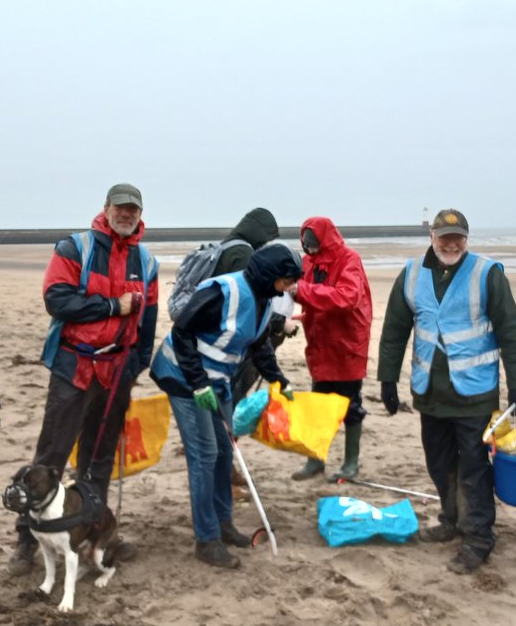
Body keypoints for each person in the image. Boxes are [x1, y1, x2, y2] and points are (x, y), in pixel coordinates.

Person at [7, 183, 159, 575]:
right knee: (51, 455)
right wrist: (113, 305)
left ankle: (95, 532)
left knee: (99, 460)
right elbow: (57, 300)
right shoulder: (76, 249)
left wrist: (136, 365)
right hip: (74, 368)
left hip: (116, 374)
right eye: (120, 208)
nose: (126, 215)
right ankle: (27, 540)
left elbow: (148, 320)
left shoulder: (147, 261)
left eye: (133, 210)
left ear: (140, 215)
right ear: (106, 208)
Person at [377, 210, 516, 574]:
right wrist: (387, 379)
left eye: (458, 236)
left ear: (467, 237)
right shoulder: (412, 274)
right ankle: (451, 519)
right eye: (445, 236)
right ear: (432, 236)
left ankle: (478, 537)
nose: (452, 243)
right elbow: (395, 330)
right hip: (430, 391)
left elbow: (511, 330)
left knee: (475, 467)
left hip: (475, 392)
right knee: (439, 461)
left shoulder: (487, 274)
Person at [150, 243, 302, 569]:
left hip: (217, 380)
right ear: (270, 274)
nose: (291, 287)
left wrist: (279, 379)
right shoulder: (224, 291)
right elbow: (183, 332)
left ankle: (223, 523)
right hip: (182, 375)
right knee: (204, 454)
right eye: (287, 280)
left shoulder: (265, 300)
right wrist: (198, 383)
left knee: (223, 452)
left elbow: (258, 345)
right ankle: (206, 540)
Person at [288, 217, 374, 482]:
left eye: (314, 247)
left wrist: (302, 291)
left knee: (350, 405)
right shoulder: (308, 263)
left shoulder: (349, 260)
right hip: (321, 344)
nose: (311, 253)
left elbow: (346, 297)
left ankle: (351, 463)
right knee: (318, 405)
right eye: (307, 248)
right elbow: (314, 295)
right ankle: (315, 461)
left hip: (347, 345)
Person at [211, 207, 297, 404]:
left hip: (216, 338)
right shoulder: (243, 254)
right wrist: (280, 322)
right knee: (227, 399)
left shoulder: (227, 247)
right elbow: (250, 307)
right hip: (228, 343)